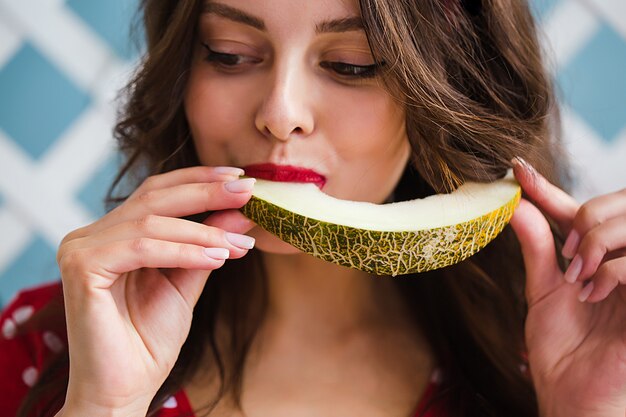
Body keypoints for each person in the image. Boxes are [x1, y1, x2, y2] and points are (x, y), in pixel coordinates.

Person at [1, 0, 624, 416]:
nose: (280, 112)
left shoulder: (552, 353)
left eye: (351, 64)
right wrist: (100, 407)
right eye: (229, 53)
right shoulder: (53, 345)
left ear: (449, 88)